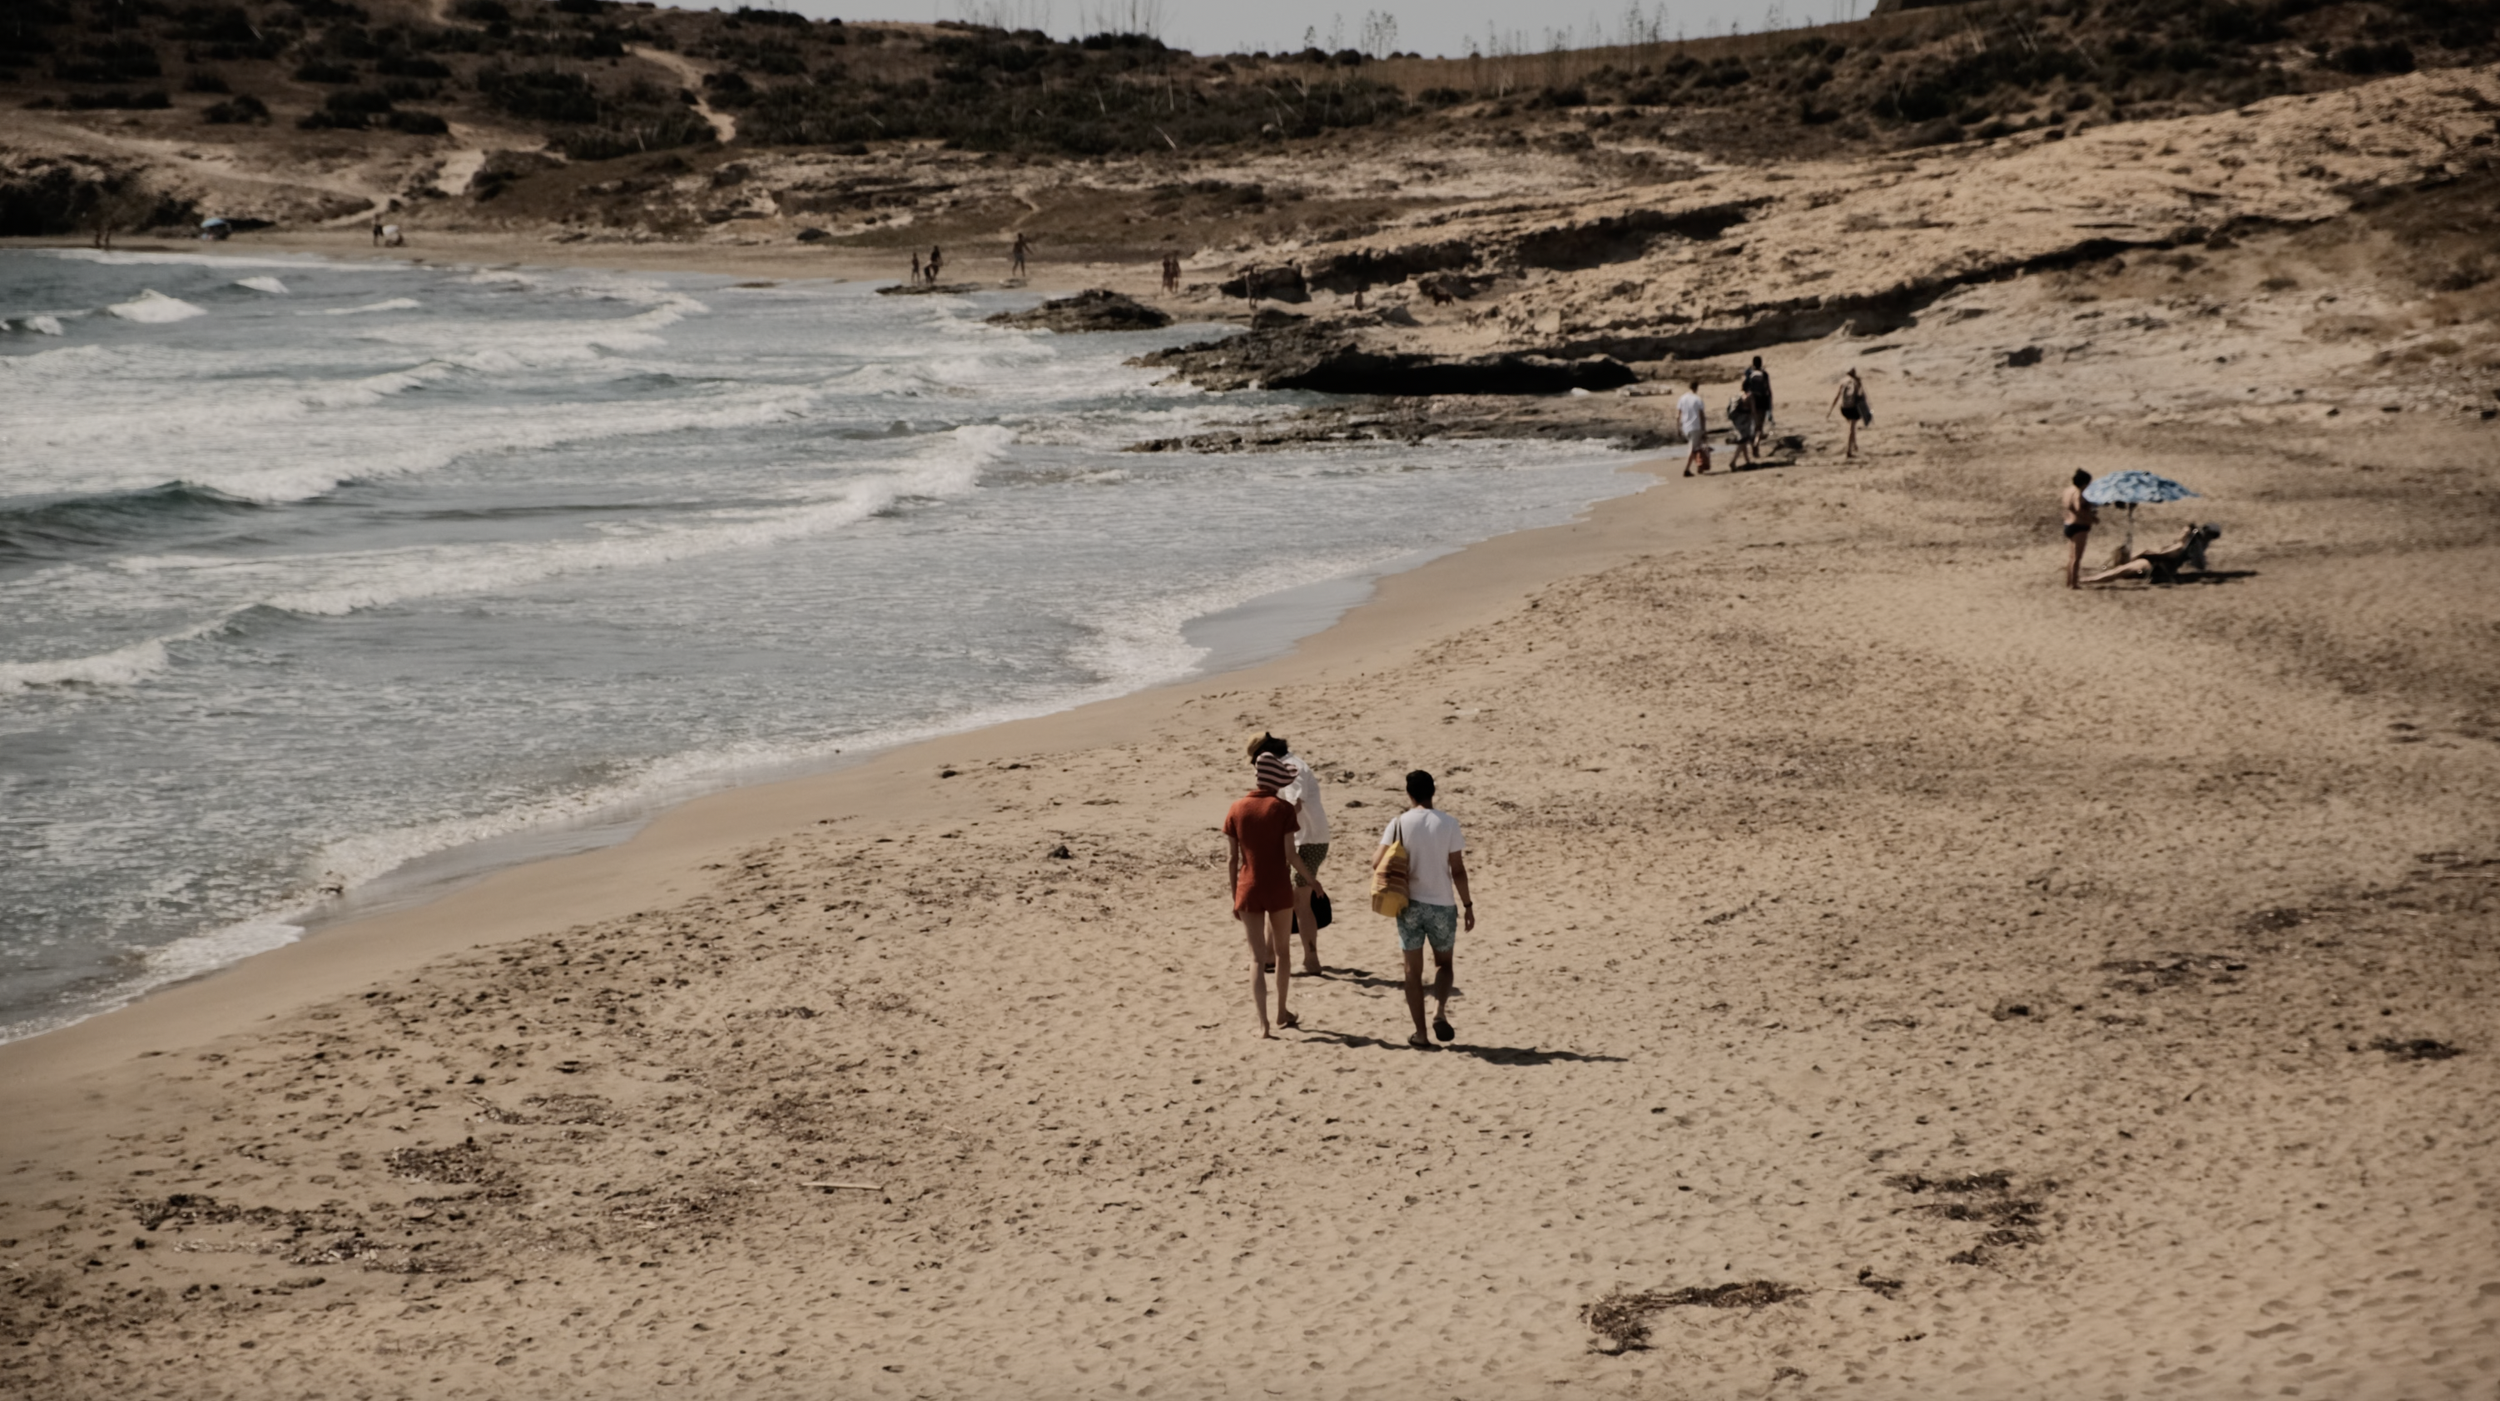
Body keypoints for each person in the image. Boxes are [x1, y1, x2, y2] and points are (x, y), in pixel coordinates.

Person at [1224, 752, 1326, 1039]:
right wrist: (1312, 881)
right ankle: (1281, 1012)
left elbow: (1232, 860)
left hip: (1248, 887)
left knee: (1257, 959)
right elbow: (1291, 854)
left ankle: (1263, 1025)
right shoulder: (1281, 809)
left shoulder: (1236, 808)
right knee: (1282, 953)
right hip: (1278, 886)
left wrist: (1235, 896)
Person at [1377, 769, 1472, 1049]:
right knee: (1444, 965)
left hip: (1409, 906)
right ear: (1433, 791)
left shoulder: (1398, 823)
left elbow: (1377, 862)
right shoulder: (1449, 823)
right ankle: (1439, 1011)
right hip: (1442, 905)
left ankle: (1420, 1034)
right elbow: (1458, 870)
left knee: (1411, 972)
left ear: (1409, 793)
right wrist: (1468, 905)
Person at [1250, 731, 1332, 977]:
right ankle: (1268, 957)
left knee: (1299, 901)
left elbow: (1294, 805)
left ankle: (1311, 960)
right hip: (1294, 840)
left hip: (1309, 840)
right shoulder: (1285, 765)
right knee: (1277, 898)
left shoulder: (1292, 767)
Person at [2081, 523, 2221, 585]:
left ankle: (2090, 579)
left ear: (2188, 536)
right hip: (2157, 565)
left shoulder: (2179, 546)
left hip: (2155, 567)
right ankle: (2094, 576)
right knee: (2120, 570)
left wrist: (2142, 553)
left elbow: (2160, 554)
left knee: (2120, 570)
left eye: (2184, 532)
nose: (2180, 533)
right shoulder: (2188, 547)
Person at [2060, 469, 2099, 590]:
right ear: (2083, 483)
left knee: (2071, 557)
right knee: (2077, 557)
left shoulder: (2067, 490)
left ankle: (2069, 581)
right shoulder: (2079, 492)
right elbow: (2078, 509)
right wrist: (2092, 518)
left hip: (2068, 524)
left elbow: (2068, 507)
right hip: (2079, 526)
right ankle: (2074, 584)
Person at [1828, 368, 1870, 459]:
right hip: (1853, 408)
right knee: (1851, 429)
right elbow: (1861, 395)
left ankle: (1854, 445)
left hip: (1844, 409)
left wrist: (1830, 410)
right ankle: (1848, 451)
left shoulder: (1843, 382)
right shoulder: (1856, 382)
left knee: (1851, 426)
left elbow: (1837, 396)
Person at [1677, 379, 1711, 477]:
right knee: (1692, 448)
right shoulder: (1697, 399)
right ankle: (1686, 469)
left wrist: (1678, 428)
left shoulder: (1682, 398)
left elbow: (1678, 415)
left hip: (1685, 426)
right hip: (1695, 426)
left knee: (1697, 446)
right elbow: (1702, 415)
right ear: (1697, 388)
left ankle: (1699, 467)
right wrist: (1704, 429)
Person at [1741, 355, 1774, 434]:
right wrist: (1769, 407)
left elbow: (1744, 387)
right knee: (1760, 423)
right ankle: (1757, 440)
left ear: (1753, 363)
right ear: (1761, 363)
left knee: (1754, 421)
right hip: (1763, 400)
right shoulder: (1764, 374)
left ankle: (1754, 439)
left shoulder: (1749, 373)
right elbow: (1768, 390)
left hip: (1752, 400)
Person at [1727, 389, 1759, 469]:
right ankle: (1733, 462)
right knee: (1743, 441)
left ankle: (1747, 461)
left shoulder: (1738, 395)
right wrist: (1756, 422)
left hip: (1737, 420)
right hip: (1744, 420)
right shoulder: (1750, 396)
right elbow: (1753, 410)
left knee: (1743, 440)